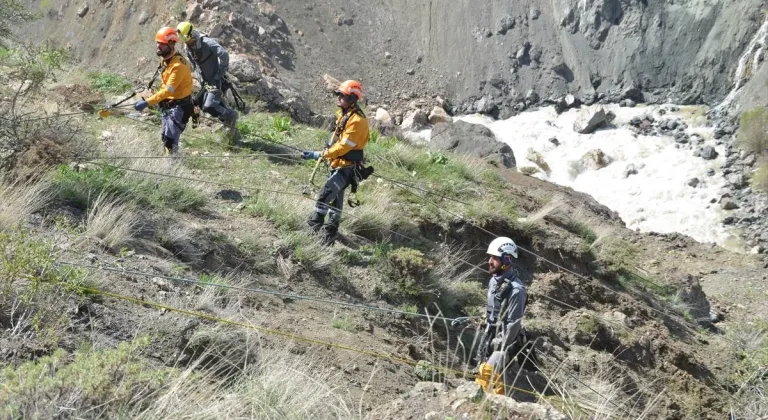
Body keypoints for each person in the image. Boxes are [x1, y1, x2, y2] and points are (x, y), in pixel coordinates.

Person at [301, 80, 369, 246]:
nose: (339, 99)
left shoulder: (357, 121)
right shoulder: (346, 115)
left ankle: (313, 231)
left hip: (346, 168)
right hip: (338, 164)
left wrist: (321, 154)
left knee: (325, 195)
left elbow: (345, 146)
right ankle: (329, 237)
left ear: (353, 98)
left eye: (343, 96)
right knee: (335, 200)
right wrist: (326, 154)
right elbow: (337, 140)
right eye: (339, 95)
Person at [475, 236, 528, 395]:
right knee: (481, 367)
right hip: (490, 334)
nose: (490, 261)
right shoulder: (494, 280)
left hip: (504, 343)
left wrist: (495, 345)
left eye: (495, 258)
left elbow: (512, 327)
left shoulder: (516, 291)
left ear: (507, 259)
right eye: (490, 257)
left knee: (488, 372)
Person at [176, 21, 239, 142]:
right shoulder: (189, 46)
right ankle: (228, 122)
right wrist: (199, 77)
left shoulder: (206, 42)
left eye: (184, 38)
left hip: (216, 81)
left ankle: (231, 115)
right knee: (196, 102)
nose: (183, 41)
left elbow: (224, 54)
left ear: (190, 35)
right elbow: (195, 64)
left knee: (208, 106)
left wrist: (220, 72)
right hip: (205, 82)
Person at [134, 27, 194, 155]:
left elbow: (168, 91)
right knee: (166, 138)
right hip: (169, 105)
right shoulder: (166, 59)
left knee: (171, 142)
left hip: (180, 107)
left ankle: (172, 167)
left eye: (161, 44)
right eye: (157, 42)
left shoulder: (178, 66)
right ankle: (169, 163)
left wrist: (147, 102)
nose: (158, 46)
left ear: (171, 44)